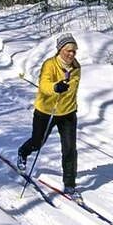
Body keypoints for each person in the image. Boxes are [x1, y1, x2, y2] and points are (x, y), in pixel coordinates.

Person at [17, 33, 82, 202]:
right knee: (37, 142)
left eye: (74, 51)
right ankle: (23, 153)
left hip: (67, 113)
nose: (71, 54)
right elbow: (44, 85)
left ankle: (70, 185)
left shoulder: (77, 68)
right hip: (46, 111)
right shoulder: (49, 65)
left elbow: (72, 90)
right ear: (60, 49)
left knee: (69, 149)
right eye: (68, 50)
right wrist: (55, 87)